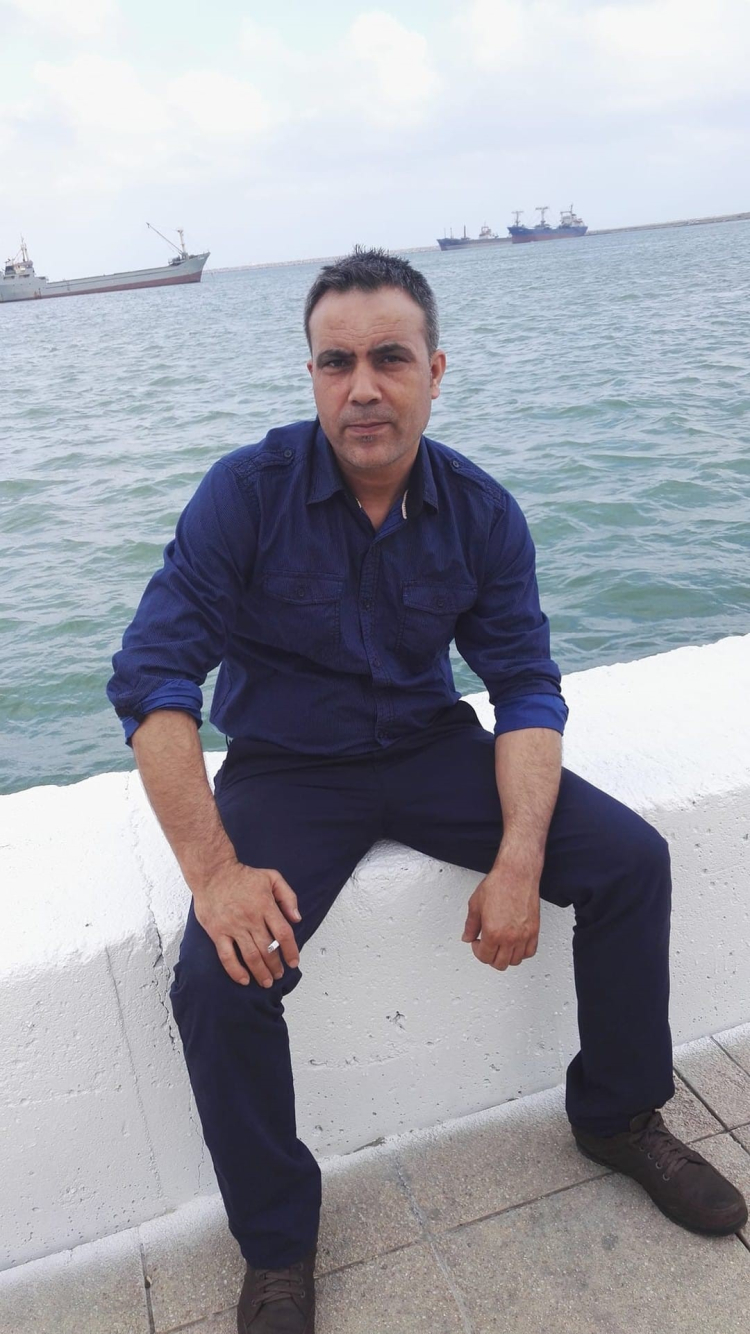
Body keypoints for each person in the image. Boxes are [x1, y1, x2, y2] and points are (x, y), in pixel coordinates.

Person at [107, 249, 747, 1334]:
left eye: (390, 358)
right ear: (313, 376)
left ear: (435, 371)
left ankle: (619, 1115)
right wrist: (214, 874)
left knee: (630, 861)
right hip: (288, 767)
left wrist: (520, 857)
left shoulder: (480, 510)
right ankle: (278, 1240)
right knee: (219, 978)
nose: (363, 387)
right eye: (337, 362)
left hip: (428, 746)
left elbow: (526, 686)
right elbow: (152, 680)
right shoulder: (246, 494)